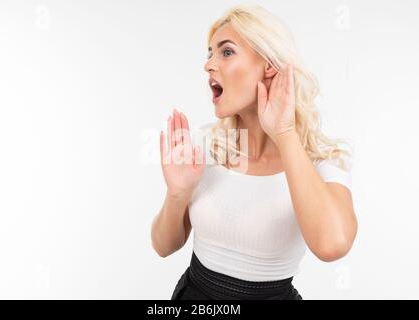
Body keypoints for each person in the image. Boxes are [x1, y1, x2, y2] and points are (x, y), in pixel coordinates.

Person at [151, 4, 357, 300]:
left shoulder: (326, 158)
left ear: (269, 65)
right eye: (209, 53)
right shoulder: (205, 143)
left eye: (226, 52)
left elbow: (332, 244)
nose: (208, 65)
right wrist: (177, 194)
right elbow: (163, 246)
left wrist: (284, 133)